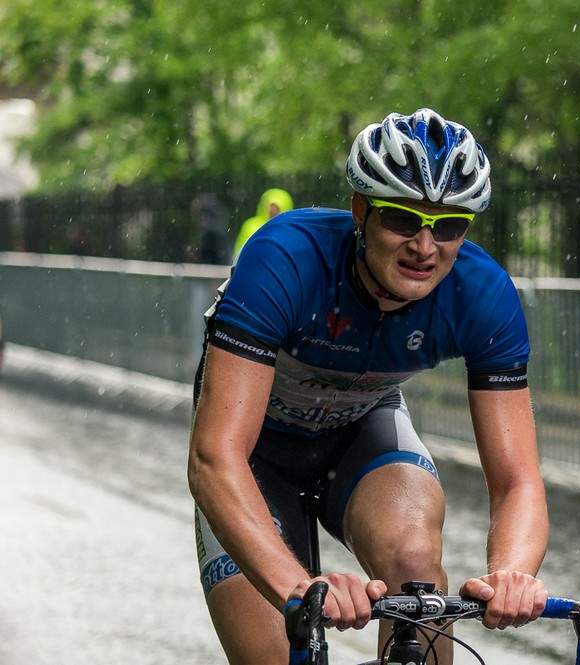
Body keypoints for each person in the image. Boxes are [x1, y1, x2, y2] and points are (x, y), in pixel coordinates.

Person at [188, 108, 549, 665]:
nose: (425, 246)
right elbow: (215, 458)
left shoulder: (482, 293)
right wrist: (297, 587)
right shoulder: (286, 257)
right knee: (275, 652)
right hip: (251, 451)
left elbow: (518, 480)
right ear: (360, 210)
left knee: (416, 566)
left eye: (449, 226)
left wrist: (512, 574)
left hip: (360, 434)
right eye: (403, 220)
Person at [232, 187, 294, 260]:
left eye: (277, 208)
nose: (272, 210)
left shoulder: (291, 229)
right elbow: (239, 251)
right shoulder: (251, 225)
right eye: (270, 206)